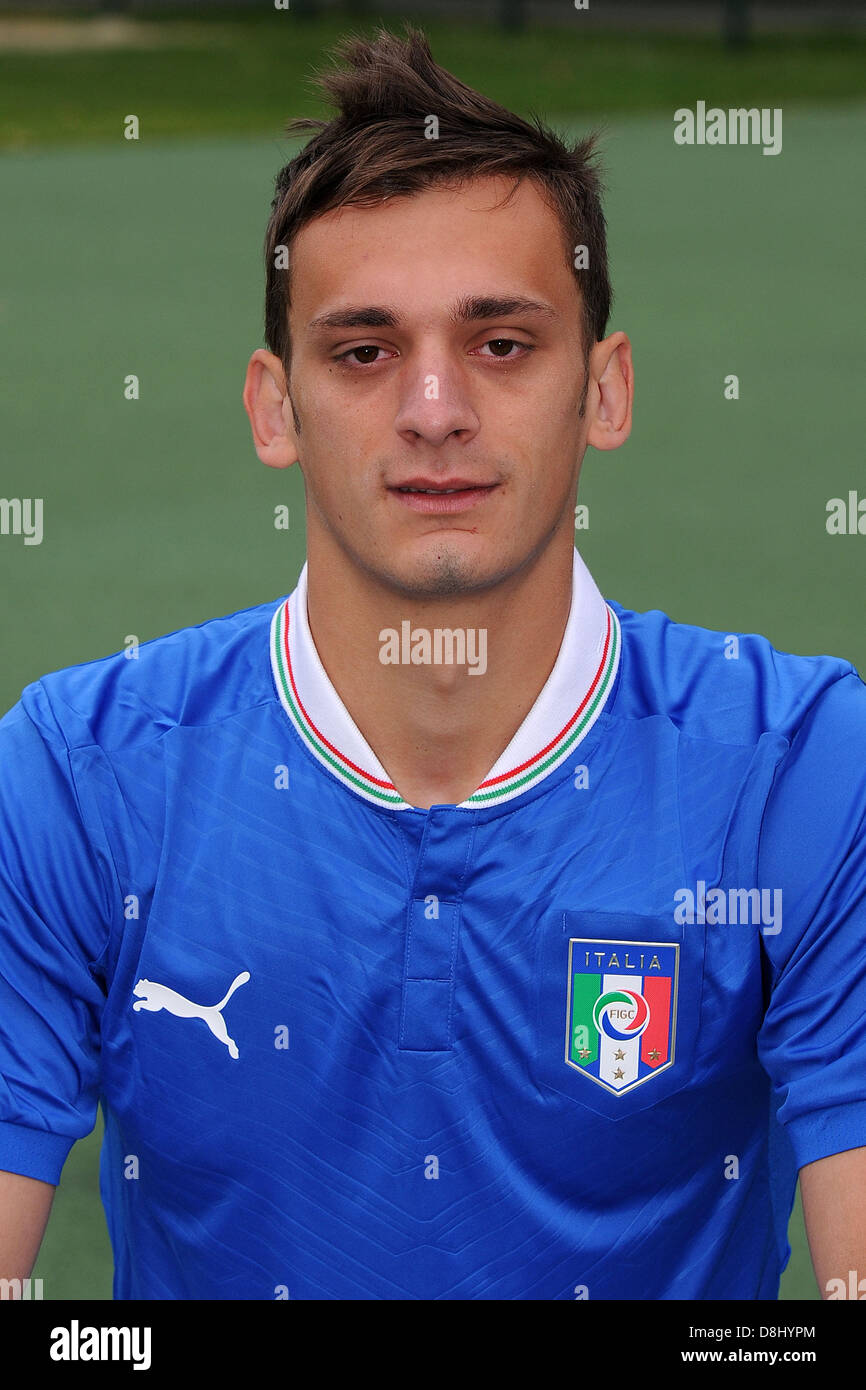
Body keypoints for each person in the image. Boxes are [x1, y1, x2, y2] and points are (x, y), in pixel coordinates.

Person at [1, 26, 864, 1301]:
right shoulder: (74, 778)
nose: (432, 408)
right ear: (273, 408)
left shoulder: (798, 770)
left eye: (501, 343)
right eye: (362, 352)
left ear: (604, 390)